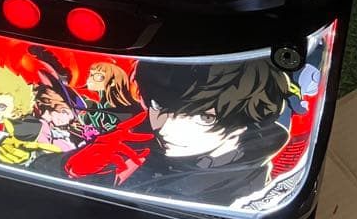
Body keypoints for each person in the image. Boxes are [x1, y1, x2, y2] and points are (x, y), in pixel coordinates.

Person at [45, 58, 293, 207]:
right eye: (158, 106)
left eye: (204, 117)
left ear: (245, 123)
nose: (165, 128)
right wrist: (68, 167)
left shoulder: (244, 190)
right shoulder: (137, 137)